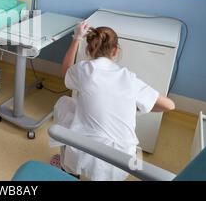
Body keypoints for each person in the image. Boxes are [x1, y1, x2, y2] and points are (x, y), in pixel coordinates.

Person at [50, 22, 175, 181]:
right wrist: (136, 107)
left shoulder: (85, 69)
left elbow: (66, 71)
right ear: (116, 50)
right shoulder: (129, 78)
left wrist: (76, 38)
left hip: (86, 152)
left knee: (65, 103)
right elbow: (170, 105)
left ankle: (69, 170)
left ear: (89, 49)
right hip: (124, 162)